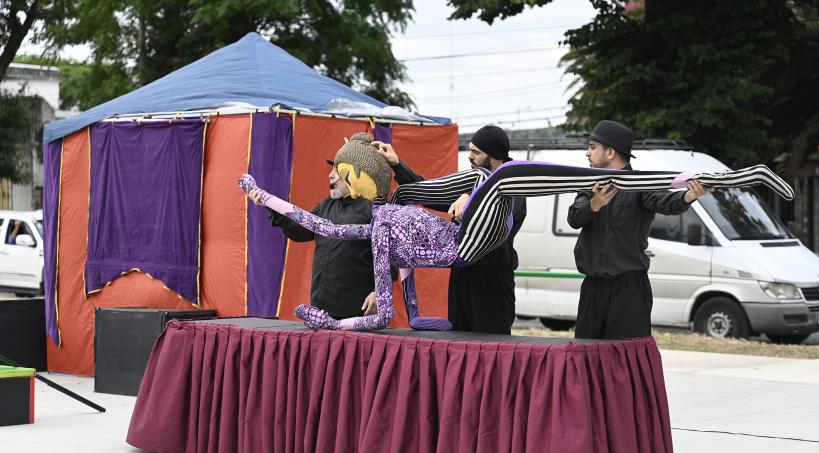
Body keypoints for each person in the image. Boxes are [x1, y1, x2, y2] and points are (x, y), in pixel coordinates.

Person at [238, 131, 791, 332]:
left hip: (486, 254)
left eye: (480, 153)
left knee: (493, 187)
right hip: (453, 260)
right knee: (440, 194)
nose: (472, 157)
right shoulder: (379, 211)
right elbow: (405, 216)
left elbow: (670, 197)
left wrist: (697, 189)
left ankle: (753, 173)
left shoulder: (496, 187)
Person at [373, 125, 527, 335]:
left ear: (494, 158)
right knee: (459, 345)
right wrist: (398, 165)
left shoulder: (514, 186)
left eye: (476, 152)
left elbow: (495, 209)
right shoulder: (469, 181)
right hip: (462, 276)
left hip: (492, 283)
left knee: (491, 350)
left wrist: (470, 199)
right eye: (469, 150)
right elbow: (429, 191)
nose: (469, 157)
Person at [568, 120, 712, 339]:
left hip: (628, 291)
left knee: (624, 361)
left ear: (610, 152)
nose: (587, 153)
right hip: (592, 289)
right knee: (586, 358)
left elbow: (666, 201)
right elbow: (574, 218)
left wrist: (690, 195)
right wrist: (595, 203)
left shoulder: (640, 184)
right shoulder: (591, 184)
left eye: (592, 147)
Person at [248, 158, 381, 319]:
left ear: (352, 175)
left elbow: (390, 258)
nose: (330, 175)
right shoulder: (325, 205)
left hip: (359, 311)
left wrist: (379, 291)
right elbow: (300, 231)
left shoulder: (373, 209)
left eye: (336, 171)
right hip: (322, 308)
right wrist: (271, 206)